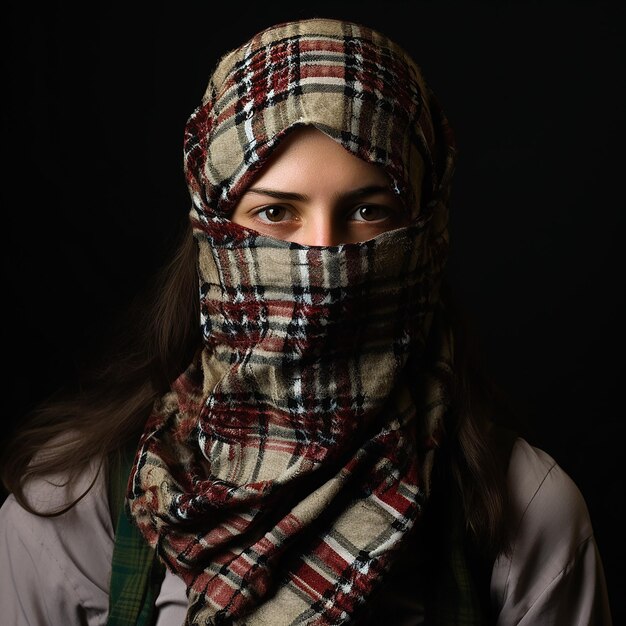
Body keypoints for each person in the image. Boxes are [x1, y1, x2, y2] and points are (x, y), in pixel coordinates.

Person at [0, 16, 613, 626]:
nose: (323, 257)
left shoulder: (527, 512)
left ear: (426, 235)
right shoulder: (72, 510)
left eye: (370, 210)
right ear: (214, 235)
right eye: (275, 213)